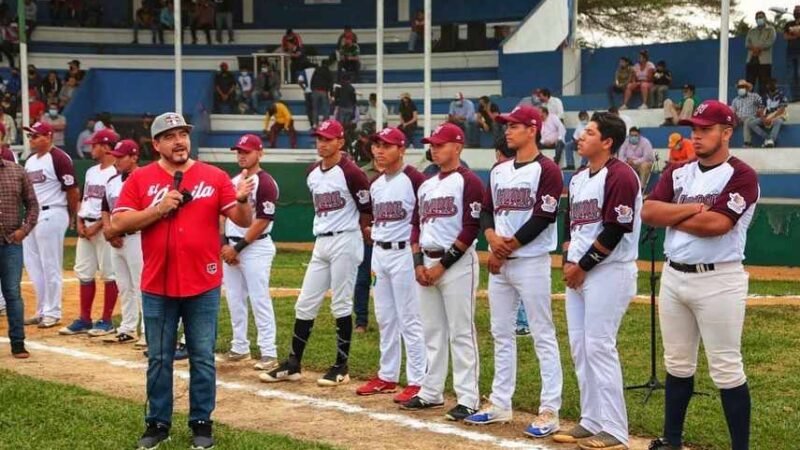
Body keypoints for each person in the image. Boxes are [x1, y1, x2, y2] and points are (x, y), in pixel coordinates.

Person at [112, 112, 254, 450]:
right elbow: (118, 224)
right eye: (171, 135)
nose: (179, 141)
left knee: (202, 357)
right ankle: (158, 424)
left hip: (202, 284)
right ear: (156, 144)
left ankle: (201, 423)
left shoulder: (214, 176)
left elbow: (242, 219)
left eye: (183, 134)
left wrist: (244, 199)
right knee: (159, 358)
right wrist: (158, 209)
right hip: (158, 285)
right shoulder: (140, 179)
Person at [642, 100, 759, 450]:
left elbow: (717, 225)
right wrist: (693, 208)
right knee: (677, 363)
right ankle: (672, 441)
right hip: (675, 276)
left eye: (706, 129)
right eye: (695, 128)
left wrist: (672, 214)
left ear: (727, 132)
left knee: (725, 368)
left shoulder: (741, 175)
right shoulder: (678, 172)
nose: (697, 134)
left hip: (718, 280)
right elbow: (648, 211)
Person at [465, 106, 564, 438]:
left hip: (532, 261)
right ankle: (500, 402)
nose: (508, 130)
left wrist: (505, 248)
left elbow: (544, 216)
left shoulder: (547, 169)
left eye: (515, 126)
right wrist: (492, 239)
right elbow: (487, 212)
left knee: (542, 333)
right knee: (501, 332)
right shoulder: (499, 170)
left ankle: (550, 408)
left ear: (532, 129)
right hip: (501, 261)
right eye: (507, 125)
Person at [552, 112, 642, 450]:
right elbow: (572, 225)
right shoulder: (578, 178)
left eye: (589, 132)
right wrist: (568, 262)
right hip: (580, 271)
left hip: (609, 271)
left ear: (607, 141)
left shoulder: (621, 175)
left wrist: (583, 265)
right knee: (580, 346)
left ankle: (615, 428)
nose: (580, 136)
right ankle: (591, 419)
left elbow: (616, 228)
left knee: (600, 346)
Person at [260, 119, 371, 387]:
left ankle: (341, 365)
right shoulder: (312, 172)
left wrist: (358, 232)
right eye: (319, 138)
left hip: (345, 240)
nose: (322, 143)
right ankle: (293, 363)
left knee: (341, 303)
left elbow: (367, 209)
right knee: (305, 302)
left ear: (340, 142)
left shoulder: (352, 172)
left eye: (328, 139)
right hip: (321, 241)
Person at [401, 123, 483, 422]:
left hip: (457, 263)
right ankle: (431, 391)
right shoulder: (425, 183)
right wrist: (419, 264)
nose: (434, 148)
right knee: (432, 331)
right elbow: (415, 225)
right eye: (432, 144)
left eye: (440, 144)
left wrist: (441, 266)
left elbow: (471, 227)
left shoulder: (469, 181)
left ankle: (468, 398)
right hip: (427, 261)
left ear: (458, 147)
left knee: (461, 331)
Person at [355, 127, 427, 404]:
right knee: (385, 316)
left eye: (385, 146)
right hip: (379, 253)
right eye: (376, 146)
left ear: (401, 149)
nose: (378, 151)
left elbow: (423, 215)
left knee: (409, 317)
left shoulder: (414, 178)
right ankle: (387, 375)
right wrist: (374, 229)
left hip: (403, 254)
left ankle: (418, 379)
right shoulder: (376, 183)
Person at [221, 134, 280, 370]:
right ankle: (240, 346)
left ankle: (268, 351)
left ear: (260, 153)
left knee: (259, 298)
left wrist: (237, 247)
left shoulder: (266, 182)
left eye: (247, 151)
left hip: (255, 247)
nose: (242, 155)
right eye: (239, 151)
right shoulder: (234, 180)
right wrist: (225, 244)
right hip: (232, 245)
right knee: (234, 297)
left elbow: (264, 220)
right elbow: (223, 214)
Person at [58, 129, 120, 337]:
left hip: (104, 228)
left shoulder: (116, 173)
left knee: (109, 274)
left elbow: (113, 204)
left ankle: (107, 320)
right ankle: (84, 319)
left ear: (105, 146)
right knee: (84, 272)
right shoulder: (92, 171)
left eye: (94, 145)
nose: (90, 148)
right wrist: (80, 221)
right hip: (87, 228)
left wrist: (98, 226)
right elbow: (85, 198)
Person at [23, 122, 80, 329]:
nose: (32, 140)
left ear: (49, 136)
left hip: (52, 211)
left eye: (36, 136)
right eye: (30, 137)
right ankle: (41, 310)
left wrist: (71, 214)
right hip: (32, 215)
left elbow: (72, 190)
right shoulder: (29, 161)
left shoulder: (59, 158)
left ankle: (53, 311)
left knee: (50, 264)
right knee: (32, 265)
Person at [101, 139, 145, 345]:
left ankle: (147, 331)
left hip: (137, 237)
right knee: (124, 285)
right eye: (115, 156)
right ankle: (128, 327)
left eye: (120, 157)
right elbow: (105, 209)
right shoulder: (112, 181)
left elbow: (146, 213)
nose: (116, 160)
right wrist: (109, 231)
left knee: (141, 285)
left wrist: (120, 229)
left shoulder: (146, 178)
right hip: (116, 240)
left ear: (134, 157)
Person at [0, 141, 38, 358]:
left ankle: (17, 342)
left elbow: (32, 204)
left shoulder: (17, 171)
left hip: (11, 243)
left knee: (13, 293)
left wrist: (24, 230)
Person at [747, 78, 788, 147]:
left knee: (778, 121)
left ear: (776, 85)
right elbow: (761, 109)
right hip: (767, 116)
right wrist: (763, 119)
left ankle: (771, 139)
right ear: (767, 86)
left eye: (773, 84)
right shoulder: (765, 96)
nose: (772, 86)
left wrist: (771, 119)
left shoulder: (781, 95)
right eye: (770, 84)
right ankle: (768, 138)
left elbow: (782, 110)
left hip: (778, 115)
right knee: (751, 123)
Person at [745, 11, 776, 96]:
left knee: (764, 85)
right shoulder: (751, 31)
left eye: (761, 17)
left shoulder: (770, 30)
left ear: (765, 18)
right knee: (750, 83)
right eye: (758, 17)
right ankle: (749, 103)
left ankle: (763, 104)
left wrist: (759, 48)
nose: (760, 19)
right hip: (752, 59)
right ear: (755, 19)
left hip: (764, 61)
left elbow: (770, 42)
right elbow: (747, 44)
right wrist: (753, 49)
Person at [730, 79, 763, 147]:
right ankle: (724, 143)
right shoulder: (735, 100)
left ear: (747, 88)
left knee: (747, 121)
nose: (741, 89)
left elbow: (761, 106)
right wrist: (734, 118)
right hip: (739, 118)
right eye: (739, 87)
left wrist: (759, 113)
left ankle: (747, 143)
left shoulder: (754, 96)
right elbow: (732, 111)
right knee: (727, 123)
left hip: (751, 117)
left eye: (743, 87)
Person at [310, 59, 334, 129]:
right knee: (326, 109)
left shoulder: (316, 70)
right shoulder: (328, 72)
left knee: (315, 108)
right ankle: (325, 125)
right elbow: (331, 84)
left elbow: (312, 80)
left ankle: (315, 124)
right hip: (324, 91)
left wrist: (312, 89)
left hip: (315, 91)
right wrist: (331, 94)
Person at [783, 5, 800, 101]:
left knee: (799, 74)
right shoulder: (789, 24)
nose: (797, 12)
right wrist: (797, 34)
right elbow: (786, 36)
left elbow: (790, 34)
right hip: (790, 52)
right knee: (791, 76)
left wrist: (793, 32)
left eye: (798, 10)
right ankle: (794, 97)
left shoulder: (790, 27)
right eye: (795, 10)